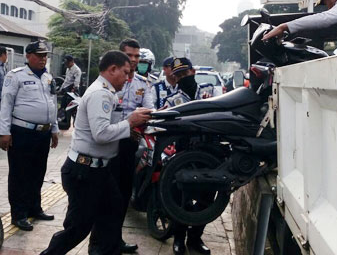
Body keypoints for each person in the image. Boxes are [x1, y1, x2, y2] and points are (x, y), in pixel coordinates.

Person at [40, 51, 151, 255]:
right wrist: (129, 122)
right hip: (84, 171)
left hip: (98, 170)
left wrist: (129, 129)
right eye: (125, 73)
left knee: (113, 211)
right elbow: (101, 134)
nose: (128, 79)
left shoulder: (107, 91)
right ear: (112, 69)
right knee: (78, 228)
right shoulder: (101, 93)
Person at [89, 39, 153, 254]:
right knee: (102, 195)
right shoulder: (107, 82)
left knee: (123, 195)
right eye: (130, 55)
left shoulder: (143, 83)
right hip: (106, 143)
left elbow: (148, 111)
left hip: (129, 144)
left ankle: (115, 239)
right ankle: (97, 242)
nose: (134, 60)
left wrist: (136, 126)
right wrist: (128, 123)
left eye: (137, 56)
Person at [0, 41, 59, 232]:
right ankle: (19, 214)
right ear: (28, 56)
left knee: (38, 172)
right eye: (39, 55)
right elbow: (6, 104)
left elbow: (52, 103)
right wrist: (4, 132)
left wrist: (55, 129)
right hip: (22, 132)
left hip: (43, 133)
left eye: (45, 56)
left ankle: (35, 207)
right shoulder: (15, 76)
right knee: (20, 174)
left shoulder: (48, 78)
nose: (43, 59)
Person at [163, 57, 216, 255]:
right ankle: (179, 239)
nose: (182, 77)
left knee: (207, 198)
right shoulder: (171, 100)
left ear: (193, 72)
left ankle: (196, 238)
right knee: (181, 198)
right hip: (183, 154)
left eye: (185, 73)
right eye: (178, 75)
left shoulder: (211, 92)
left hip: (209, 152)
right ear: (174, 78)